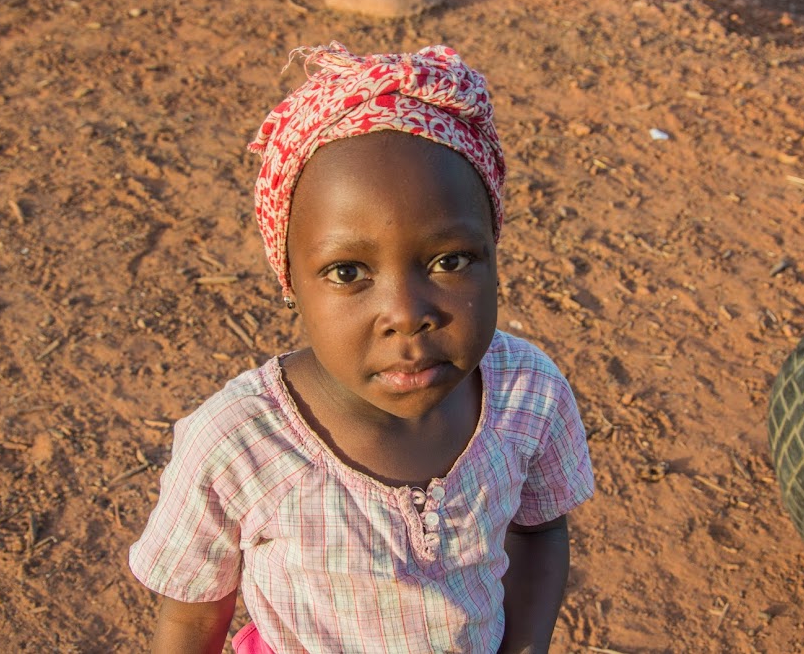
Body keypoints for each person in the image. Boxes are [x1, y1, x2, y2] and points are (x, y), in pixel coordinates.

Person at [129, 42, 594, 654]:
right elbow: (191, 623)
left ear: (494, 252)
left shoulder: (526, 394)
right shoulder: (237, 443)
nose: (406, 316)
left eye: (450, 261)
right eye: (348, 272)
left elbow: (540, 533)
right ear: (289, 280)